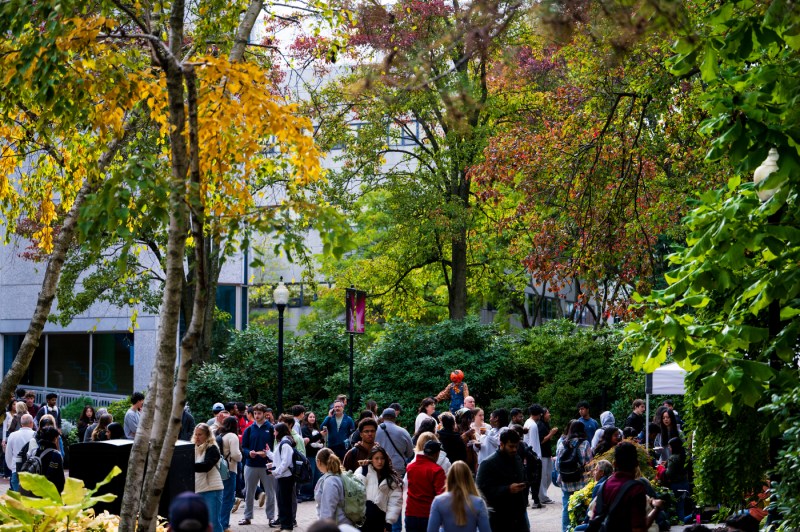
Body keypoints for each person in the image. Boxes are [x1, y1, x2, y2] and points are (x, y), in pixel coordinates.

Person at [595, 441, 664, 531]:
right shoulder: (636, 489)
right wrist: (656, 508)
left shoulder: (603, 486)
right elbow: (638, 528)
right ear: (636, 464)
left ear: (614, 464)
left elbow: (595, 519)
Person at [476, 428, 528, 531]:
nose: (514, 449)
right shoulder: (488, 463)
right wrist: (507, 489)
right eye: (511, 446)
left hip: (519, 516)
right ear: (502, 444)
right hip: (499, 518)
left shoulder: (517, 459)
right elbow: (481, 491)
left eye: (516, 446)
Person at [239, 403, 276, 526]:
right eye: (255, 413)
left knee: (270, 492)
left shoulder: (271, 428)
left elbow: (276, 446)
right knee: (249, 491)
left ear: (265, 414)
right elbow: (243, 447)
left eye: (259, 413)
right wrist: (249, 453)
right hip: (251, 464)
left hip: (267, 464)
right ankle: (247, 517)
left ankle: (271, 517)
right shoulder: (249, 429)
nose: (256, 416)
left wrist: (269, 454)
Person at [428, 460, 490, 532]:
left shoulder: (438, 501)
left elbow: (431, 530)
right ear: (469, 479)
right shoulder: (479, 502)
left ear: (449, 478)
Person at [355, 446, 402, 532]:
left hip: (381, 521)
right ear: (371, 459)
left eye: (382, 458)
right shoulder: (361, 471)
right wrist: (363, 474)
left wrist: (389, 522)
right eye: (376, 458)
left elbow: (395, 502)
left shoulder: (391, 478)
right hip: (362, 520)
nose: (379, 461)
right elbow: (356, 491)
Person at [556, 421, 592, 531]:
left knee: (566, 508)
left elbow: (557, 466)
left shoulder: (562, 443)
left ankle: (565, 530)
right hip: (581, 482)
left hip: (566, 482)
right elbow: (589, 465)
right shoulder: (585, 443)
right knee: (581, 508)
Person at [405, 440, 446, 532]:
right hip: (429, 514)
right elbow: (441, 495)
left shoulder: (410, 467)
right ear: (437, 454)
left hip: (411, 512)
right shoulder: (437, 470)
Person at [192, 424, 224, 532]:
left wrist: (187, 465)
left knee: (213, 523)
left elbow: (206, 466)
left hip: (212, 490)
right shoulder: (193, 448)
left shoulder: (212, 448)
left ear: (207, 435)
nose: (197, 437)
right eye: (195, 434)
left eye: (200, 434)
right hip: (199, 489)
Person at [267, 422, 297, 531]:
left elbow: (286, 463)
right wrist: (268, 453)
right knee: (282, 502)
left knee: (285, 502)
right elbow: (277, 458)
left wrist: (275, 472)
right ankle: (284, 525)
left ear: (279, 432)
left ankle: (288, 526)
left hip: (286, 477)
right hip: (282, 476)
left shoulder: (285, 444)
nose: (274, 433)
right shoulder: (282, 443)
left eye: (275, 431)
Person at [314, 448, 353, 526]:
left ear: (318, 462)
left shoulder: (330, 481)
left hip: (337, 525)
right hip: (346, 522)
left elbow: (327, 511)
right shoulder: (341, 475)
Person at [216, 416, 242, 531]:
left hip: (218, 469)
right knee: (228, 497)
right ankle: (224, 524)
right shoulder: (233, 436)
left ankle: (219, 522)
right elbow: (236, 454)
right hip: (229, 469)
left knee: (221, 497)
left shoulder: (219, 435)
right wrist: (241, 457)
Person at [375, 408, 414, 480]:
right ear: (395, 418)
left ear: (383, 418)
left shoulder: (374, 431)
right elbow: (410, 453)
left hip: (379, 468)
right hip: (398, 469)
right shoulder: (403, 432)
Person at [29, 426, 65, 495]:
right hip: (50, 494)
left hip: (35, 491)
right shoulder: (56, 455)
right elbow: (59, 478)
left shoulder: (35, 451)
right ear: (55, 439)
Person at [4, 413, 35, 492]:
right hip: (31, 472)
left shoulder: (12, 435)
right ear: (31, 423)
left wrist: (12, 467)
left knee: (18, 500)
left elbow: (8, 454)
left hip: (16, 471)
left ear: (21, 423)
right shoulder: (35, 435)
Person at [664, 437, 690, 521]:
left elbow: (669, 473)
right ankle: (682, 521)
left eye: (670, 446)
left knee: (673, 506)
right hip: (685, 483)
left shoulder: (673, 458)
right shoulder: (685, 456)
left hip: (675, 484)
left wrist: (663, 468)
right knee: (681, 506)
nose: (669, 448)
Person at [536, 407, 558, 504]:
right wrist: (551, 433)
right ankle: (542, 497)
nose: (549, 415)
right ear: (543, 415)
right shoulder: (540, 425)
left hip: (547, 453)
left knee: (549, 475)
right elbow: (541, 440)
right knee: (544, 476)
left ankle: (542, 494)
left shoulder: (545, 424)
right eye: (547, 413)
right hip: (542, 454)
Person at [301, 411, 324, 502]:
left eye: (313, 417)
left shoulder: (316, 428)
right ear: (306, 418)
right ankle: (306, 494)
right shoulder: (304, 429)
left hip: (317, 455)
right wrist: (319, 435)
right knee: (310, 474)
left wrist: (320, 443)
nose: (312, 419)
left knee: (317, 475)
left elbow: (320, 439)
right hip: (309, 454)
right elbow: (309, 440)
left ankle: (315, 493)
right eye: (310, 417)